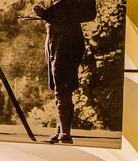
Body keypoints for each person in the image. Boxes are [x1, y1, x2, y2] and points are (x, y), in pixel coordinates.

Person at [32, 0, 95, 144]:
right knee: (57, 86)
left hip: (67, 41)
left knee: (63, 86)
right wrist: (46, 15)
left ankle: (65, 132)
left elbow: (87, 13)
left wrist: (46, 14)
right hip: (54, 39)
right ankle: (61, 130)